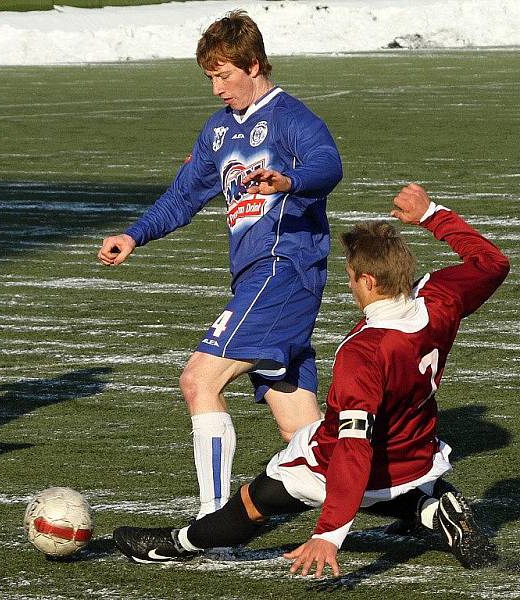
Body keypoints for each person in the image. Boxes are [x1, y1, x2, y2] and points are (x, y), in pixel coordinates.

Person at [113, 183, 510, 576]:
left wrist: (329, 534)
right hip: (417, 453)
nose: (350, 283)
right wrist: (431, 214)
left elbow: (353, 449)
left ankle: (179, 543)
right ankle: (427, 504)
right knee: (334, 459)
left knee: (257, 499)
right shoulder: (440, 299)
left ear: (368, 281)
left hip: (355, 462)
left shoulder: (363, 353)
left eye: (352, 276)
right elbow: (493, 264)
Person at [97, 10, 343, 518]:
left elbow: (328, 163)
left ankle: (212, 522)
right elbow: (184, 196)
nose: (216, 89)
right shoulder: (217, 131)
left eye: (224, 75)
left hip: (284, 268)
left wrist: (290, 182)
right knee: (300, 428)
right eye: (210, 77)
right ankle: (417, 500)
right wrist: (133, 234)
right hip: (258, 277)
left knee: (198, 380)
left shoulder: (291, 118)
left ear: (254, 65)